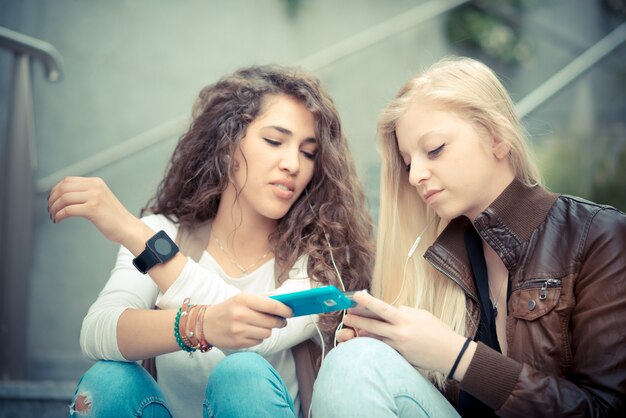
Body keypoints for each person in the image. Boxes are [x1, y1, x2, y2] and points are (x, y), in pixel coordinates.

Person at [48, 65, 374, 418]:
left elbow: (261, 334)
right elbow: (97, 331)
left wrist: (133, 232)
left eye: (308, 152)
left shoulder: (318, 256)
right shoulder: (164, 231)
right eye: (274, 141)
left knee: (241, 372)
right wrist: (199, 324)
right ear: (228, 144)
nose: (293, 164)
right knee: (108, 381)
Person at [311, 57, 626, 417]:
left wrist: (456, 356)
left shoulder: (599, 236)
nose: (415, 177)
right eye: (409, 162)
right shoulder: (439, 259)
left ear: (497, 137)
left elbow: (605, 409)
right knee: (356, 361)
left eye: (434, 150)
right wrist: (390, 351)